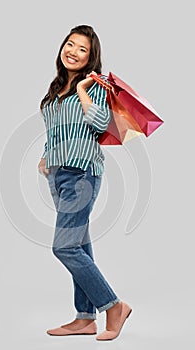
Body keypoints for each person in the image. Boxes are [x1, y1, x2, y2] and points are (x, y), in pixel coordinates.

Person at [38, 24, 132, 341]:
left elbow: (100, 123)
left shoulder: (94, 87)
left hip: (82, 172)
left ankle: (114, 306)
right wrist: (45, 156)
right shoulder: (53, 92)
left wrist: (82, 91)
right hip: (58, 174)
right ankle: (84, 318)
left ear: (91, 57)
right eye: (70, 44)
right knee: (78, 245)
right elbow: (55, 131)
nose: (73, 51)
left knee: (63, 247)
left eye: (82, 49)